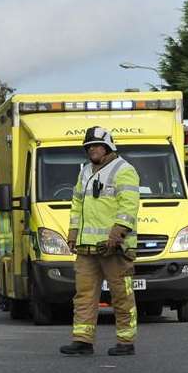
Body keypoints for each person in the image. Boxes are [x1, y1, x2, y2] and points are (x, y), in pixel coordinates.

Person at [61, 126, 141, 357]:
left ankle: (126, 341)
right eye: (88, 147)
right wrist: (73, 233)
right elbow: (76, 204)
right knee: (84, 295)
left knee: (121, 295)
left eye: (96, 146)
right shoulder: (85, 171)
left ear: (108, 147)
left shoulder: (124, 170)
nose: (92, 150)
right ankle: (82, 340)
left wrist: (117, 235)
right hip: (87, 248)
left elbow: (129, 206)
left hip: (114, 248)